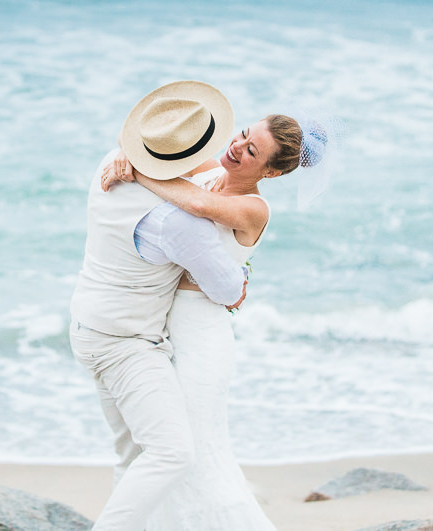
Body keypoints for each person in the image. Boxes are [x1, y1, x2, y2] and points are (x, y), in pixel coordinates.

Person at [100, 112, 329, 531]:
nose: (237, 146)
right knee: (160, 448)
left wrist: (139, 174)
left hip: (202, 342)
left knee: (194, 453)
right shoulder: (209, 169)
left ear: (272, 172)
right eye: (243, 134)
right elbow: (141, 136)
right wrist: (122, 156)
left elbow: (198, 204)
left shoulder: (253, 207)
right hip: (162, 333)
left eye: (252, 150)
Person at [69, 80, 252, 531]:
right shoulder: (176, 222)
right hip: (126, 343)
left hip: (86, 325)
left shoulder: (107, 166)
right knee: (171, 453)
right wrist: (241, 280)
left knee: (131, 455)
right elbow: (228, 290)